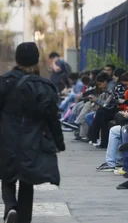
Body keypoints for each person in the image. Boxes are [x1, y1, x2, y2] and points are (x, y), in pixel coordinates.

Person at [0, 42, 65, 223]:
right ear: (37, 60)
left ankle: (11, 206)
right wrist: (59, 143)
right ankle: (23, 219)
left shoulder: (5, 82)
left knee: (7, 176)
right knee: (27, 181)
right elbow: (53, 118)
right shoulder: (44, 86)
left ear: (17, 59)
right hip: (33, 140)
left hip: (7, 138)